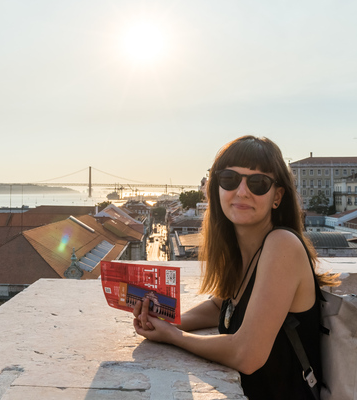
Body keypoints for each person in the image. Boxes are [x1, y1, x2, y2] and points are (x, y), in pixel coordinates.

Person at [133, 136, 339, 400]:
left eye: (258, 183)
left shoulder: (282, 246)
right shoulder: (245, 252)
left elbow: (247, 354)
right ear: (217, 188)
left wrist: (174, 336)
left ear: (277, 196)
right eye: (230, 179)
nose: (242, 191)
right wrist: (164, 321)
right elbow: (221, 306)